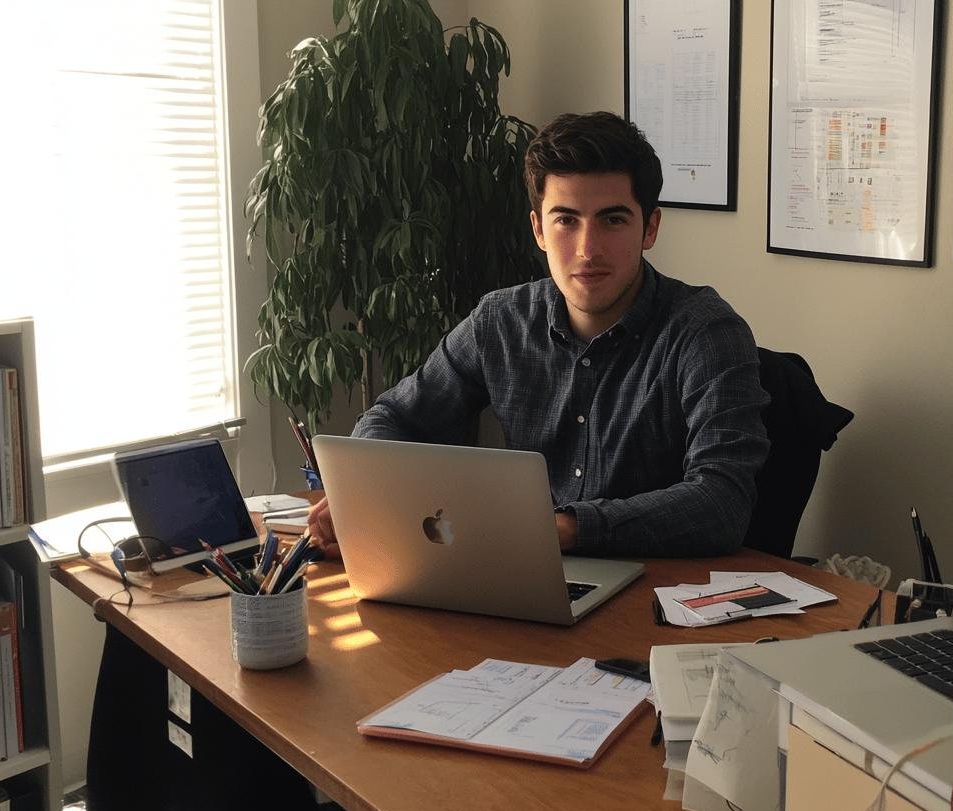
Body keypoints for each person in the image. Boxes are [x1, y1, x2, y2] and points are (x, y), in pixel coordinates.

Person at [307, 111, 768, 558]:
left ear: (650, 227)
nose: (587, 250)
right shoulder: (501, 321)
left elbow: (721, 502)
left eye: (613, 220)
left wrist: (565, 528)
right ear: (538, 230)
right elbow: (393, 418)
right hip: (522, 570)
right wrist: (366, 490)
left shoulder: (705, 334)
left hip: (653, 597)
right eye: (566, 219)